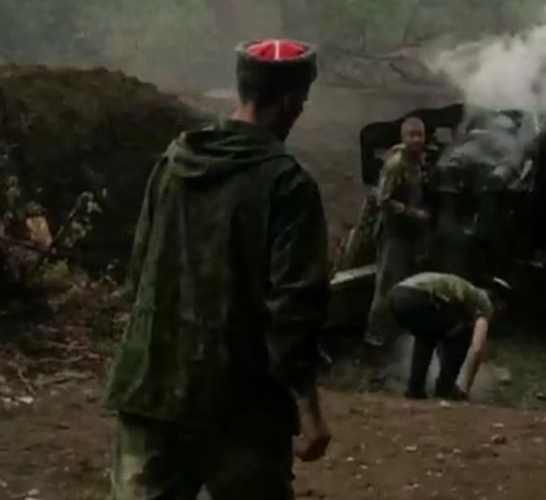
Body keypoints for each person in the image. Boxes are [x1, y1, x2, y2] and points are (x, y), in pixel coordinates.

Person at [104, 39, 332, 500]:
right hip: (240, 405)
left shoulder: (175, 160)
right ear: (289, 102)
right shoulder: (288, 183)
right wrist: (308, 407)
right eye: (301, 103)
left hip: (152, 389)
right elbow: (293, 308)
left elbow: (140, 267)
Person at [363, 116, 429, 352]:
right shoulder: (396, 164)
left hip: (409, 232)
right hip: (393, 231)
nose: (416, 139)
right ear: (403, 137)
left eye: (419, 134)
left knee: (402, 283)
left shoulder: (419, 161)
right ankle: (374, 337)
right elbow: (383, 199)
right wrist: (412, 212)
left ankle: (394, 332)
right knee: (386, 283)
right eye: (411, 134)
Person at [388, 271, 508, 400]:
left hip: (396, 296)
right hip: (418, 297)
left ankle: (415, 389)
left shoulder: (463, 295)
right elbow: (477, 348)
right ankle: (445, 389)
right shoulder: (483, 302)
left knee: (427, 336)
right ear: (499, 303)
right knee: (461, 335)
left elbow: (443, 337)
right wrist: (465, 388)